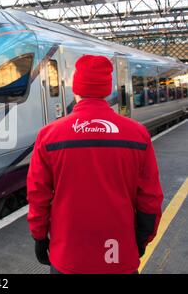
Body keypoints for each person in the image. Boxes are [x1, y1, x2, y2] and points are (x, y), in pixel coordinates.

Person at [27, 55, 163, 274]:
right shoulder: (138, 134)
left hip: (68, 257)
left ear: (76, 90)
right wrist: (140, 240)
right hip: (119, 255)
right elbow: (151, 198)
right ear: (107, 90)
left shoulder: (48, 136)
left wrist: (39, 236)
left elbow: (38, 195)